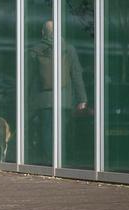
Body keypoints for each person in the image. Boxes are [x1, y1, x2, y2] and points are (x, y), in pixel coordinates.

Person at [27, 20, 87, 159]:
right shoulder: (68, 49)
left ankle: (49, 162)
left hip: (43, 101)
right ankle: (61, 162)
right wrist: (82, 99)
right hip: (63, 100)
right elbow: (76, 75)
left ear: (43, 32)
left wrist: (26, 97)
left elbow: (29, 77)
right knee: (61, 133)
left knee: (46, 132)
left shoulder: (35, 50)